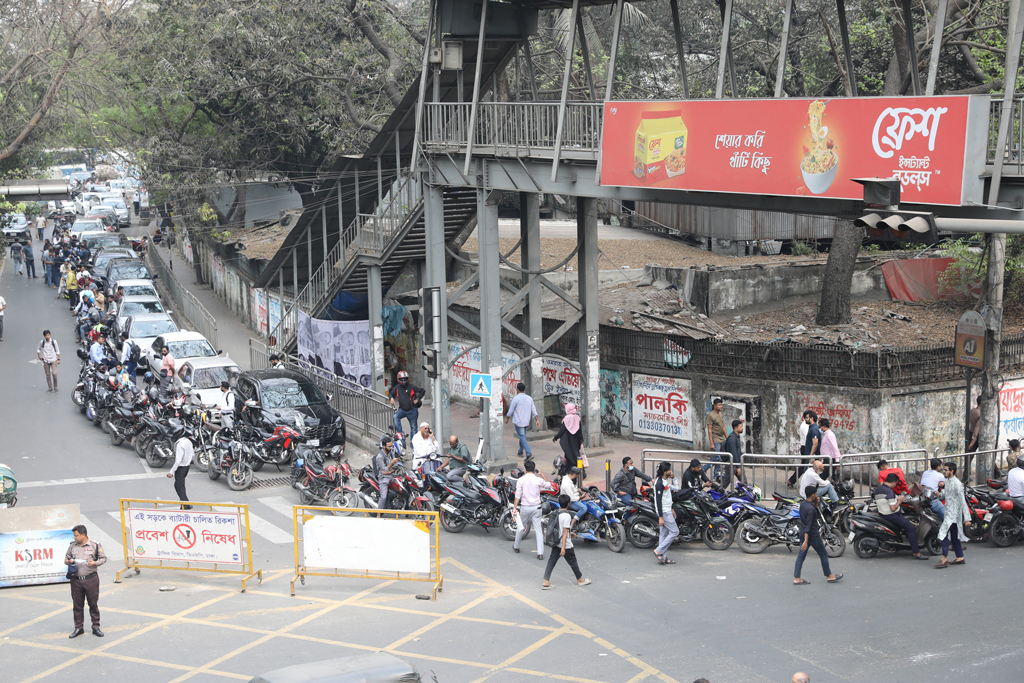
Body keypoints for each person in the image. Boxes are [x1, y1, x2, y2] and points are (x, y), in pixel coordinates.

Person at [793, 485, 842, 585]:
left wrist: (816, 503)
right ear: (812, 495)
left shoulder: (803, 505)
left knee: (801, 556)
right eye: (815, 494)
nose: (817, 495)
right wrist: (806, 541)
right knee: (823, 554)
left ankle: (797, 577)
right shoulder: (811, 509)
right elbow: (808, 525)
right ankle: (829, 575)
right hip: (812, 535)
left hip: (803, 533)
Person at [64, 524, 107, 637]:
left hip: (90, 579)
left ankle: (96, 627)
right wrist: (68, 561)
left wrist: (95, 563)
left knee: (93, 604)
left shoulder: (95, 545)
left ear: (83, 535)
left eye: (76, 535)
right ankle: (79, 628)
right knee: (77, 606)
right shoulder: (72, 546)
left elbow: (103, 558)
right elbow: (66, 558)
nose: (75, 537)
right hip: (76, 580)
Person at [542, 494, 591, 589]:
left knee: (552, 561)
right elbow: (564, 532)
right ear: (568, 504)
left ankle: (546, 580)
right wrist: (563, 548)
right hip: (564, 543)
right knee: (573, 561)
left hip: (556, 541)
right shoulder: (567, 516)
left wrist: (570, 533)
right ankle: (580, 579)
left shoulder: (556, 513)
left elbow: (562, 529)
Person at [874, 473, 927, 559]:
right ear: (893, 481)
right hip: (892, 515)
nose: (895, 485)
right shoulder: (889, 491)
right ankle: (916, 553)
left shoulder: (880, 488)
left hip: (882, 513)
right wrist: (899, 501)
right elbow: (892, 508)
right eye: (896, 483)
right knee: (911, 528)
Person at [935, 462, 971, 568]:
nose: (944, 472)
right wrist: (939, 494)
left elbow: (962, 501)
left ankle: (944, 558)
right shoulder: (948, 481)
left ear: (952, 471)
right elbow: (946, 495)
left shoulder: (957, 484)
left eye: (946, 470)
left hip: (953, 514)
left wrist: (967, 519)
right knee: (954, 537)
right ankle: (960, 557)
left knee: (943, 533)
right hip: (948, 512)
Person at [512, 459, 546, 559]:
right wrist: (541, 475)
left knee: (520, 527)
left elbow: (518, 496)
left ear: (525, 469)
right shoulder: (538, 479)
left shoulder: (521, 480)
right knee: (538, 530)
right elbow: (549, 485)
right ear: (534, 469)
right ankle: (540, 553)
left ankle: (516, 546)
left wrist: (514, 507)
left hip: (525, 507)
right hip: (537, 508)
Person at [505, 382, 541, 457]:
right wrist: (537, 420)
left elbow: (511, 410)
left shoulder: (516, 399)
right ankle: (520, 451)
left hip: (519, 422)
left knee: (522, 437)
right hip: (526, 421)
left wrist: (507, 418)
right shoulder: (529, 398)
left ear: (517, 390)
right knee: (522, 437)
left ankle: (528, 453)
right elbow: (534, 410)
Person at [654, 462, 679, 565]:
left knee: (663, 535)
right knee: (675, 531)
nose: (671, 471)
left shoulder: (665, 482)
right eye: (669, 470)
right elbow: (658, 501)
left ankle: (663, 558)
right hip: (664, 512)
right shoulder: (659, 483)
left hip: (668, 510)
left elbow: (675, 489)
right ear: (665, 472)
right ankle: (658, 550)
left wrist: (672, 508)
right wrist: (661, 517)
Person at [789, 411, 820, 487]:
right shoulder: (807, 427)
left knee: (806, 468)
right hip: (807, 449)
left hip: (809, 450)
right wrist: (811, 456)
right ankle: (792, 481)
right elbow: (813, 442)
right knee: (805, 468)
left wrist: (811, 455)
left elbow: (814, 442)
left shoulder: (812, 428)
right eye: (805, 417)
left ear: (811, 418)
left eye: (806, 417)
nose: (805, 419)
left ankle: (791, 481)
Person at [388, 370, 424, 438]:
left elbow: (422, 391)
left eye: (405, 379)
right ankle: (401, 435)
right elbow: (391, 393)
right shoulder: (397, 387)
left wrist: (417, 398)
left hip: (412, 410)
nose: (403, 381)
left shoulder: (412, 386)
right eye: (402, 379)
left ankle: (412, 445)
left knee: (413, 428)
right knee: (395, 417)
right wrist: (391, 398)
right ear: (399, 379)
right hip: (402, 409)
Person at [167, 427, 194, 509]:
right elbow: (192, 454)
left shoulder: (179, 444)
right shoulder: (188, 441)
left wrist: (171, 472)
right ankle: (185, 503)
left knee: (180, 486)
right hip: (187, 467)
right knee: (178, 485)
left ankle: (185, 505)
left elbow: (178, 461)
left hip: (181, 468)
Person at [373, 436, 401, 511]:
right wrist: (392, 463)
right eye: (389, 446)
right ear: (384, 446)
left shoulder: (391, 453)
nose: (391, 448)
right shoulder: (379, 457)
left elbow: (395, 466)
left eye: (391, 446)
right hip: (383, 479)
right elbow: (384, 470)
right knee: (383, 497)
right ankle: (378, 513)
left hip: (392, 476)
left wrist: (393, 469)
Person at [553, 403, 583, 469]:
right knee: (576, 454)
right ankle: (575, 469)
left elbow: (562, 430)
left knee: (569, 454)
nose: (566, 410)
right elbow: (580, 430)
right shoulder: (577, 417)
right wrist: (581, 439)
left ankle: (577, 470)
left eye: (566, 409)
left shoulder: (567, 419)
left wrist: (556, 437)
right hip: (576, 440)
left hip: (569, 440)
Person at [722, 419, 745, 484]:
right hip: (732, 464)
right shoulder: (732, 438)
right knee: (725, 483)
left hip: (736, 463)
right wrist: (738, 467)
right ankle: (717, 493)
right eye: (740, 427)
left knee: (744, 483)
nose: (742, 428)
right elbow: (733, 452)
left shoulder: (736, 437)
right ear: (735, 428)